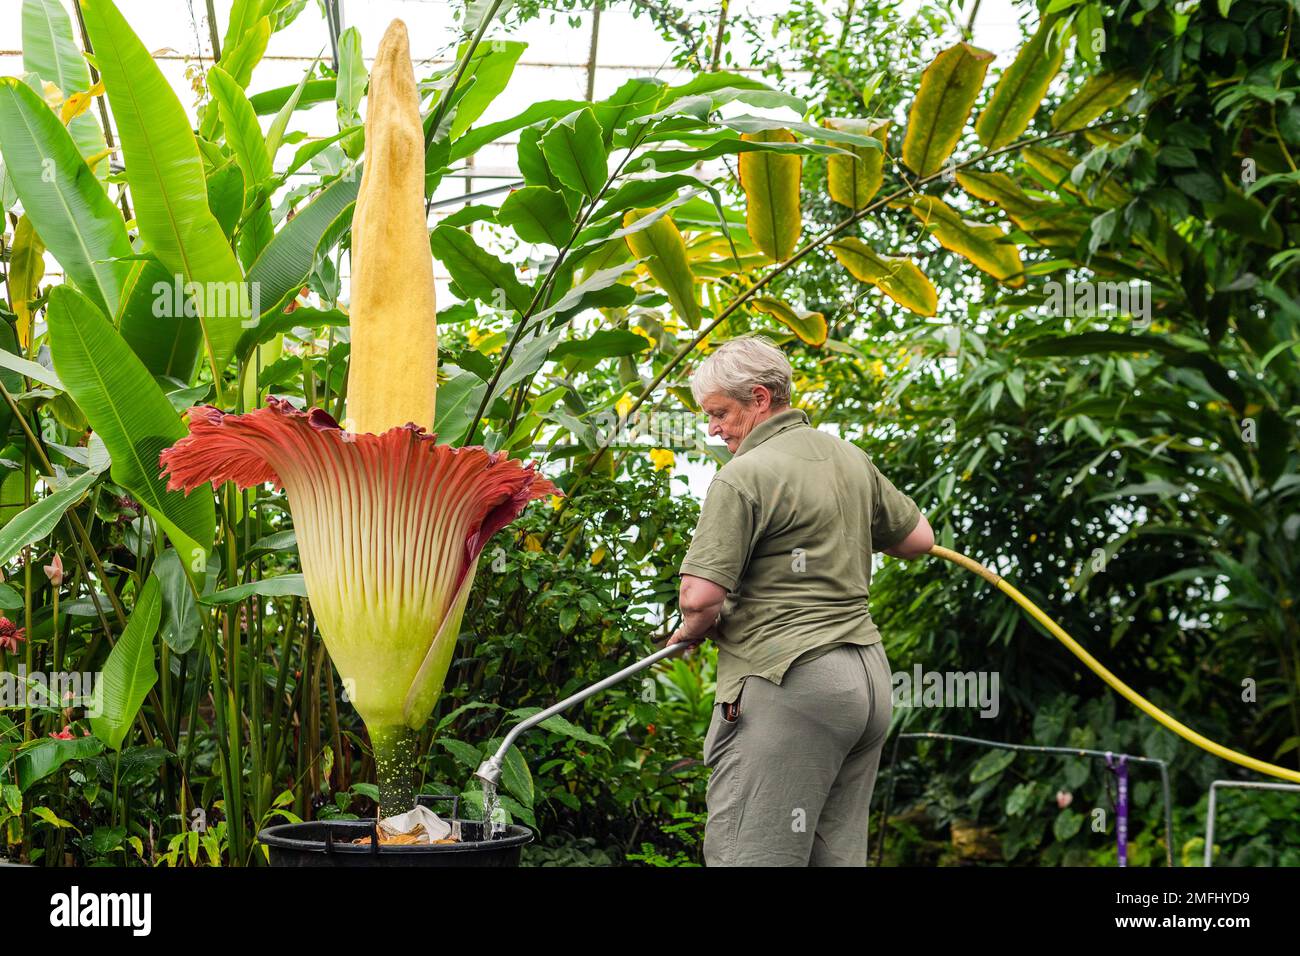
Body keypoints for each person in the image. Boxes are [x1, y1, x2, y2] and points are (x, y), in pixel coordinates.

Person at [667, 334, 934, 866]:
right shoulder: (849, 458)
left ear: (760, 399)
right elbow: (918, 541)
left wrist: (689, 632)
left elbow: (699, 597)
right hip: (866, 685)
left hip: (790, 684)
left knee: (753, 854)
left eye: (719, 413)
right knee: (831, 856)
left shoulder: (743, 476)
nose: (713, 429)